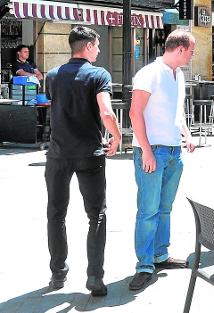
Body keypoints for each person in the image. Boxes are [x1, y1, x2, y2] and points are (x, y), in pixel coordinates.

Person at [45, 26, 121, 297]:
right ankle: (94, 277)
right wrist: (117, 135)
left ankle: (58, 273)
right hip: (89, 153)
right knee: (96, 215)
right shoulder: (98, 75)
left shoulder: (52, 76)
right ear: (88, 46)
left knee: (56, 213)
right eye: (97, 46)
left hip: (58, 154)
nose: (99, 50)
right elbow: (106, 110)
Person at [128, 29, 197, 290]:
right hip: (153, 150)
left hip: (172, 151)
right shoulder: (150, 73)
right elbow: (135, 113)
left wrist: (187, 135)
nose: (192, 55)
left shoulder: (177, 75)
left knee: (164, 207)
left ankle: (159, 254)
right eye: (191, 51)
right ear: (180, 49)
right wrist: (145, 150)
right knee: (148, 210)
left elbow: (175, 113)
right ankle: (144, 264)